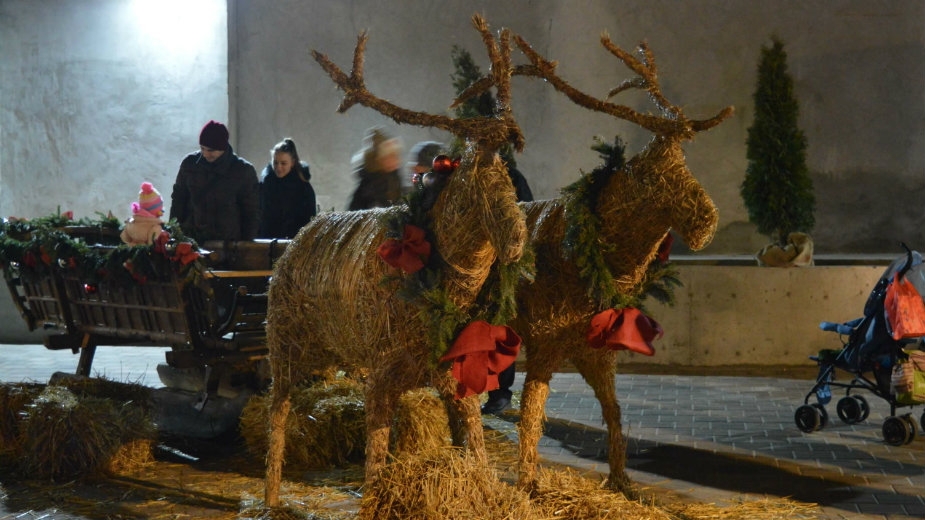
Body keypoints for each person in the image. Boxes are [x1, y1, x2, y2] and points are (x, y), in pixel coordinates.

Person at [482, 156, 534, 415]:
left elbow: (526, 215)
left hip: (501, 266)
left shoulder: (512, 178)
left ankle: (500, 392)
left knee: (500, 329)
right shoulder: (466, 178)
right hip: (474, 266)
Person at [169, 120, 259, 242]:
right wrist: (174, 234)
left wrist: (245, 246)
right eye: (202, 148)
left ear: (223, 148)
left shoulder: (243, 171)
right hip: (192, 242)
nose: (205, 154)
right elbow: (178, 201)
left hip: (227, 244)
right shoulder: (189, 164)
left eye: (211, 150)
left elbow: (251, 212)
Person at [258, 138, 317, 239]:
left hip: (292, 243)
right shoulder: (266, 183)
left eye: (283, 163)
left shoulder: (303, 188)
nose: (278, 167)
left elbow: (308, 221)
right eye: (275, 162)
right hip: (266, 242)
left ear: (292, 163)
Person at [347, 127, 403, 210]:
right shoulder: (370, 184)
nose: (396, 160)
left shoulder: (394, 177)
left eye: (396, 156)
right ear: (380, 160)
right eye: (391, 156)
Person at [120, 182, 165, 246]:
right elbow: (152, 244)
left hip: (130, 250)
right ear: (157, 209)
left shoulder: (132, 221)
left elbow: (125, 238)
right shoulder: (155, 226)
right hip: (144, 253)